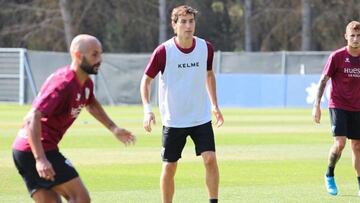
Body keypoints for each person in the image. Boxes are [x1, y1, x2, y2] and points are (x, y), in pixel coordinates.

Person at [12, 34, 136, 203]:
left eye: (100, 54)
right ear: (78, 55)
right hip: (35, 149)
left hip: (25, 151)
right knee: (80, 198)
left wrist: (114, 128)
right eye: (94, 55)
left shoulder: (85, 83)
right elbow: (32, 117)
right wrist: (40, 159)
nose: (100, 59)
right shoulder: (63, 83)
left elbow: (91, 103)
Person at [140, 5, 224, 203]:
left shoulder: (206, 48)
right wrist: (147, 110)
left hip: (200, 117)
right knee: (169, 166)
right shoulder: (164, 51)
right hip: (174, 119)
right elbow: (146, 80)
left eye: (191, 21)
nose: (188, 26)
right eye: (183, 22)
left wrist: (214, 105)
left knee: (210, 159)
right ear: (174, 25)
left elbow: (209, 74)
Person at [312, 21, 360, 196]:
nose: (355, 39)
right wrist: (316, 105)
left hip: (358, 107)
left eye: (358, 36)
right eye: (352, 36)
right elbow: (323, 81)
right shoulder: (337, 56)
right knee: (340, 144)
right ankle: (329, 174)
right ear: (346, 36)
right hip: (338, 105)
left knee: (357, 146)